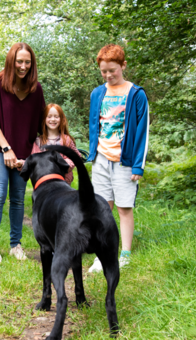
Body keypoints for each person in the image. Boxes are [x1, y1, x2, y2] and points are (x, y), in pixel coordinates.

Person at [86, 44, 149, 273]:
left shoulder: (136, 94)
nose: (108, 75)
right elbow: (95, 124)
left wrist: (138, 166)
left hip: (125, 160)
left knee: (124, 208)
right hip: (101, 158)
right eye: (104, 71)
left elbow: (143, 131)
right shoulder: (97, 94)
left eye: (113, 70)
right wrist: (93, 154)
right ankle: (101, 255)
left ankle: (125, 254)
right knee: (102, 208)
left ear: (123, 65)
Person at [0, 42, 45, 264]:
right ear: (11, 61)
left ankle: (15, 245)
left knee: (18, 198)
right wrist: (6, 148)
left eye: (28, 62)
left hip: (23, 154)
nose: (23, 66)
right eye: (19, 61)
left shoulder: (36, 90)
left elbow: (41, 125)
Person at [18, 103, 82, 186]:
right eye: (49, 116)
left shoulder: (66, 140)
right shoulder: (38, 141)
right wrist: (21, 163)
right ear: (44, 119)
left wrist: (62, 164)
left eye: (56, 116)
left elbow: (77, 157)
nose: (53, 119)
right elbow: (33, 161)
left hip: (63, 183)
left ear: (61, 119)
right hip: (43, 183)